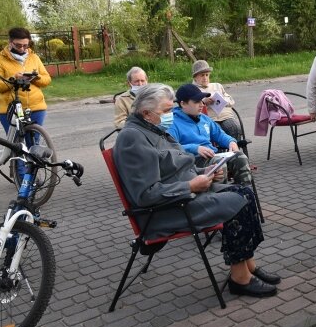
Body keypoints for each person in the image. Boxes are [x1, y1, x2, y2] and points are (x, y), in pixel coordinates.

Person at [114, 84, 280, 298]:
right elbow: (146, 195)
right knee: (239, 201)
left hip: (184, 197)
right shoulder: (132, 138)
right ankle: (240, 278)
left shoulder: (152, 129)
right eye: (165, 111)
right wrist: (191, 186)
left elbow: (175, 166)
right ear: (146, 113)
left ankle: (248, 265)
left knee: (244, 193)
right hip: (165, 211)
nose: (171, 114)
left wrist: (206, 172)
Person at [168, 84, 253, 186]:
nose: (202, 104)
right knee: (218, 165)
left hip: (211, 156)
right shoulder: (172, 123)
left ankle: (244, 193)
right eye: (197, 101)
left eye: (202, 101)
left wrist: (231, 142)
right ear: (183, 104)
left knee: (240, 157)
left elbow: (220, 135)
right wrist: (195, 148)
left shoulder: (204, 119)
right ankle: (222, 195)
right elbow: (170, 148)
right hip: (191, 161)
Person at [0, 27, 51, 133]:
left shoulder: (34, 57)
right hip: (10, 110)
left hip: (36, 108)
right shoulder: (0, 60)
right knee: (16, 146)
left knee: (33, 146)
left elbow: (47, 79)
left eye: (25, 45)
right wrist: (13, 80)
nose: (22, 48)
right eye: (18, 45)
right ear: (10, 42)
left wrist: (35, 78)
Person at [191, 60, 242, 139]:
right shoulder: (192, 89)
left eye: (207, 75)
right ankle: (221, 150)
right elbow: (191, 107)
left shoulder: (217, 86)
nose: (205, 78)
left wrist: (223, 100)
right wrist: (204, 102)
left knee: (235, 129)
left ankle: (234, 150)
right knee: (217, 133)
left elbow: (231, 100)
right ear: (195, 77)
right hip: (209, 119)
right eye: (202, 75)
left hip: (225, 116)